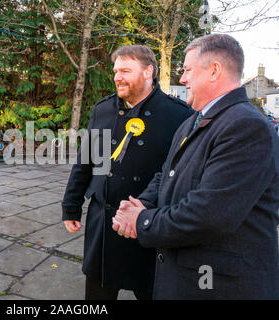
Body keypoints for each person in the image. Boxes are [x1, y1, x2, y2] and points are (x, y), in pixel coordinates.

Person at [112, 34, 279, 299]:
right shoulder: (193, 121)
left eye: (188, 70)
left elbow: (210, 215)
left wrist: (141, 220)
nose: (182, 79)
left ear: (214, 70)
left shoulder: (246, 127)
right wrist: (141, 204)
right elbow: (166, 174)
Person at [62, 45, 193, 300]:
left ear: (148, 72)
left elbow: (180, 175)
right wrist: (71, 206)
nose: (117, 77)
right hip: (104, 226)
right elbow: (85, 162)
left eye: (125, 71)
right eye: (115, 71)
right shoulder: (102, 110)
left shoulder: (178, 115)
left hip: (148, 230)